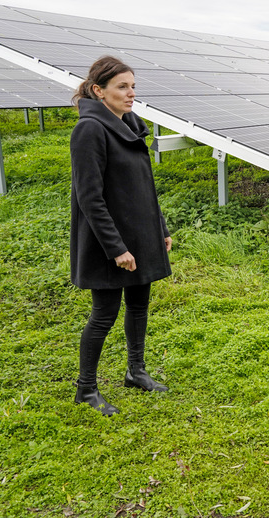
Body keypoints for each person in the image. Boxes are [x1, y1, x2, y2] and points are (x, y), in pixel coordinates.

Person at [70, 56, 173, 416]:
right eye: (122, 87)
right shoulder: (90, 130)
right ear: (99, 90)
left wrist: (159, 228)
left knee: (139, 304)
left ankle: (136, 371)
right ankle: (86, 390)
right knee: (104, 313)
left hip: (140, 234)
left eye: (133, 86)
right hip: (109, 240)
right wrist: (116, 248)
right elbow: (90, 198)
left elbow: (144, 186)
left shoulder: (128, 124)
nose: (131, 94)